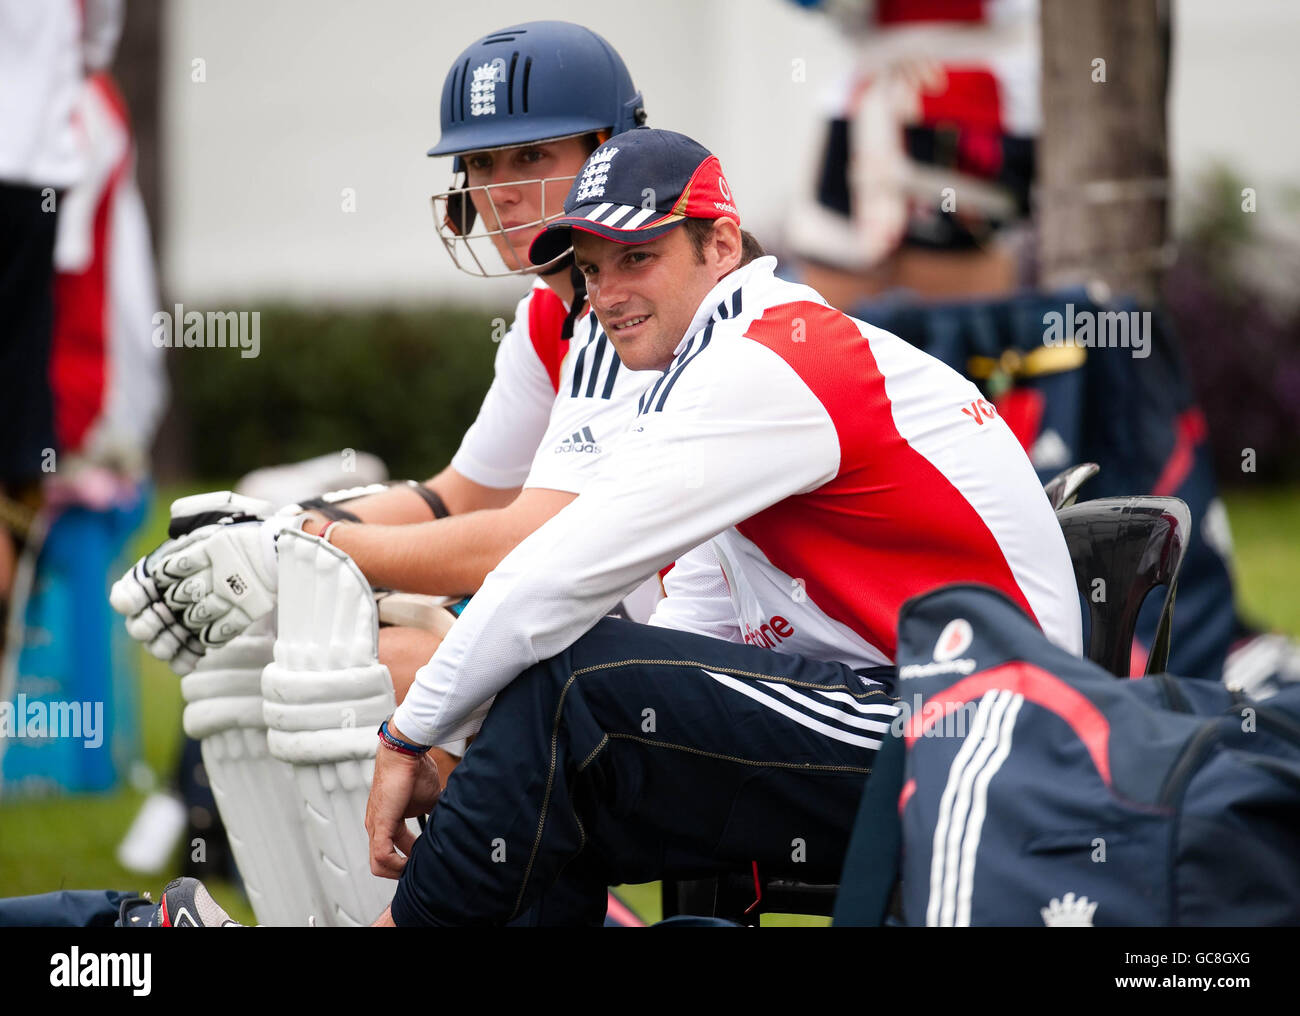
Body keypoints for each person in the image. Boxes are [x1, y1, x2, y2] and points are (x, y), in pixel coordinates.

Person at [363, 127, 1083, 927]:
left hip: (989, 736)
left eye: (637, 257)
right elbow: (684, 633)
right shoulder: (730, 361)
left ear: (722, 244)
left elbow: (555, 573)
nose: (607, 295)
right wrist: (476, 752)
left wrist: (411, 734)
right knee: (557, 735)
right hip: (940, 715)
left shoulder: (766, 363)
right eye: (593, 270)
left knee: (570, 685)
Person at [112, 20, 659, 780]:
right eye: (481, 161)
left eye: (533, 154)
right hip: (648, 628)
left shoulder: (638, 308)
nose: (500, 192)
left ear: (612, 150)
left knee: (364, 668)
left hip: (747, 651)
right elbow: (457, 497)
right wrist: (276, 528)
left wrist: (302, 548)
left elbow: (523, 538)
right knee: (296, 651)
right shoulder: (547, 315)